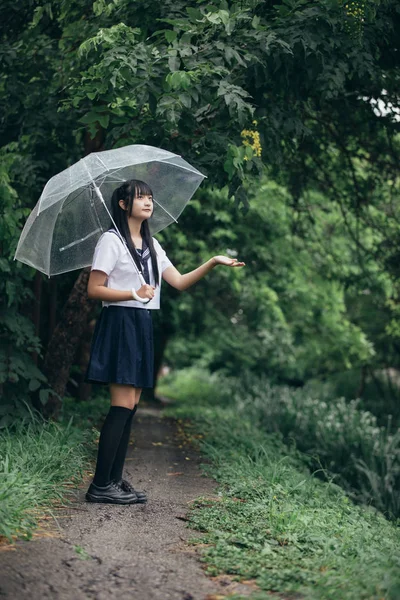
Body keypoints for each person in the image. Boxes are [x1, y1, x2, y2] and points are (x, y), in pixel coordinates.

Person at [84, 179, 245, 505]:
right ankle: (100, 484)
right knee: (120, 405)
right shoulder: (110, 241)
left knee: (131, 407)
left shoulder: (151, 245)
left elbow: (180, 282)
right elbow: (94, 289)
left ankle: (113, 480)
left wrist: (214, 261)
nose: (147, 201)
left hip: (141, 323)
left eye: (150, 197)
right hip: (119, 322)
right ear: (123, 203)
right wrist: (133, 292)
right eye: (140, 196)